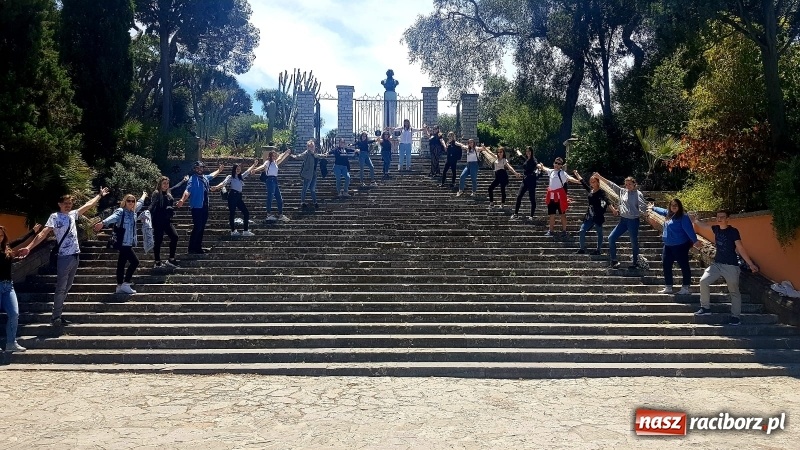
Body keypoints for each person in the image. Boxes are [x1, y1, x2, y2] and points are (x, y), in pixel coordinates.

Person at [19, 188, 110, 327]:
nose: (68, 205)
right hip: (64, 257)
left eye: (70, 203)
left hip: (75, 256)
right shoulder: (54, 217)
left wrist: (99, 195)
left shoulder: (73, 214)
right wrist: (29, 247)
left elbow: (88, 205)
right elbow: (43, 234)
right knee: (61, 287)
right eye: (65, 203)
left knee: (67, 286)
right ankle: (55, 317)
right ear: (59, 204)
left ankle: (58, 314)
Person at [692, 210, 759, 325]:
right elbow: (705, 226)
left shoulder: (733, 231)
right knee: (703, 281)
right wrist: (695, 221)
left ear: (727, 219)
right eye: (718, 217)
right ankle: (705, 308)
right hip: (717, 264)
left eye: (722, 217)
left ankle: (736, 317)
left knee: (734, 292)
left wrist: (750, 264)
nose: (719, 219)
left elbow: (740, 248)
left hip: (731, 266)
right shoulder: (716, 229)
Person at [93, 192, 147, 294]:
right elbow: (113, 217)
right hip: (123, 242)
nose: (131, 203)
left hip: (128, 242)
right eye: (128, 201)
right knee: (135, 262)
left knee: (121, 264)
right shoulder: (121, 211)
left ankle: (119, 286)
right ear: (125, 202)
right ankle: (126, 283)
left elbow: (140, 203)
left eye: (133, 201)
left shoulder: (133, 212)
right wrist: (103, 223)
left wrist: (144, 195)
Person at [594, 173, 648, 269]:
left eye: (630, 184)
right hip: (623, 220)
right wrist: (599, 177)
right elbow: (611, 184)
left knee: (633, 242)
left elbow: (643, 206)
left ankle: (635, 263)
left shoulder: (638, 194)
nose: (628, 186)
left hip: (633, 221)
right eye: (626, 184)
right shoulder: (622, 191)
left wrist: (646, 212)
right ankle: (614, 261)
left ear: (634, 184)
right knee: (611, 238)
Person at [649, 198, 702, 294]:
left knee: (684, 266)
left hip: (680, 246)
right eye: (672, 205)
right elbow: (662, 211)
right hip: (668, 246)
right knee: (666, 265)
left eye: (676, 205)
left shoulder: (683, 217)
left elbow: (689, 230)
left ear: (679, 206)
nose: (674, 207)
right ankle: (668, 287)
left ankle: (685, 288)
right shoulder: (669, 214)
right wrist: (653, 208)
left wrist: (695, 241)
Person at [176, 161, 224, 254]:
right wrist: (182, 200)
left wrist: (219, 170)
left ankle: (198, 247)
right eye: (197, 168)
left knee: (201, 227)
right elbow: (187, 190)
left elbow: (212, 175)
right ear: (195, 169)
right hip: (196, 207)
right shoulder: (192, 179)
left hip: (205, 206)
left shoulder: (205, 178)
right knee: (197, 227)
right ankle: (191, 248)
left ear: (203, 168)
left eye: (201, 167)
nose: (199, 169)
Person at [213, 160, 258, 236]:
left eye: (239, 169)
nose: (238, 170)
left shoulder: (241, 177)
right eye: (237, 168)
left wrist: (254, 165)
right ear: (234, 169)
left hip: (239, 196)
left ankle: (245, 231)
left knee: (246, 212)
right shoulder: (230, 177)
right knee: (232, 213)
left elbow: (247, 171)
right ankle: (233, 231)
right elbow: (223, 183)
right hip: (232, 196)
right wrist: (216, 187)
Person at [538, 157, 579, 237]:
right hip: (551, 197)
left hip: (560, 197)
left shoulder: (563, 173)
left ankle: (564, 231)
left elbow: (570, 178)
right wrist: (540, 166)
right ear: (554, 163)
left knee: (562, 214)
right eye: (555, 163)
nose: (556, 165)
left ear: (561, 166)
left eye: (559, 164)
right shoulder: (551, 171)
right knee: (552, 214)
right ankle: (551, 231)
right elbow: (544, 168)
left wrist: (578, 181)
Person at [1, 226, 26, 352]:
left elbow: (20, 240)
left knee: (14, 314)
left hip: (8, 286)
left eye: (1, 235)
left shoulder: (7, 248)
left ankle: (11, 343)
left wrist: (33, 231)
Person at [149, 176, 183, 269]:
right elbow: (152, 205)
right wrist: (147, 214)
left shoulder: (169, 194)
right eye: (164, 183)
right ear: (160, 184)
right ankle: (157, 261)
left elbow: (176, 187)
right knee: (158, 240)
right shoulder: (157, 193)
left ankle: (171, 259)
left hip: (167, 220)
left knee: (175, 237)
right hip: (158, 220)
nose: (166, 185)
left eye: (167, 183)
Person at [572, 171, 608, 255]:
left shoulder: (601, 192)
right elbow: (583, 183)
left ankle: (598, 250)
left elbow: (606, 202)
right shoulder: (591, 191)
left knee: (599, 232)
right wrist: (577, 174)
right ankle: (582, 249)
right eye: (591, 182)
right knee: (582, 230)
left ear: (598, 182)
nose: (592, 183)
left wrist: (611, 210)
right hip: (589, 215)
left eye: (594, 182)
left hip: (598, 215)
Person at [255, 149, 292, 221]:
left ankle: (281, 215)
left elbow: (281, 158)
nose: (274, 157)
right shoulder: (267, 162)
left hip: (275, 180)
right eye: (273, 156)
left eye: (275, 155)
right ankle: (268, 214)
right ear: (270, 156)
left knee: (279, 198)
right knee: (270, 197)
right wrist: (255, 170)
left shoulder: (275, 162)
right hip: (270, 180)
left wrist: (286, 152)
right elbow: (262, 166)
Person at [292, 139, 324, 209]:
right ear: (308, 147)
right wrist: (292, 155)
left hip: (314, 173)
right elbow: (299, 156)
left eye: (313, 146)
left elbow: (319, 156)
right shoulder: (306, 153)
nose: (312, 148)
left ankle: (315, 202)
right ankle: (302, 202)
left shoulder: (314, 154)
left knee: (312, 189)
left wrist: (325, 155)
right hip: (308, 173)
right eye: (310, 146)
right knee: (305, 188)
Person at [511, 147, 541, 220]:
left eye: (529, 151)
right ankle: (515, 214)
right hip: (525, 180)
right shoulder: (526, 160)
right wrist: (517, 150)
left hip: (531, 180)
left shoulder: (533, 160)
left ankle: (531, 216)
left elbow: (537, 164)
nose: (528, 152)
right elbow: (521, 156)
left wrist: (540, 166)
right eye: (527, 151)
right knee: (519, 196)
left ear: (531, 152)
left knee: (532, 198)